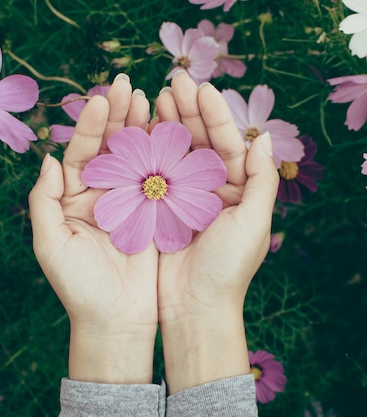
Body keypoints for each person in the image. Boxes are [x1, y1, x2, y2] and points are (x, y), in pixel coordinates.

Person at [28, 70, 279, 416]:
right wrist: (205, 315)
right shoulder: (145, 187)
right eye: (154, 185)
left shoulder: (167, 191)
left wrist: (112, 330)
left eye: (157, 185)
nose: (155, 186)